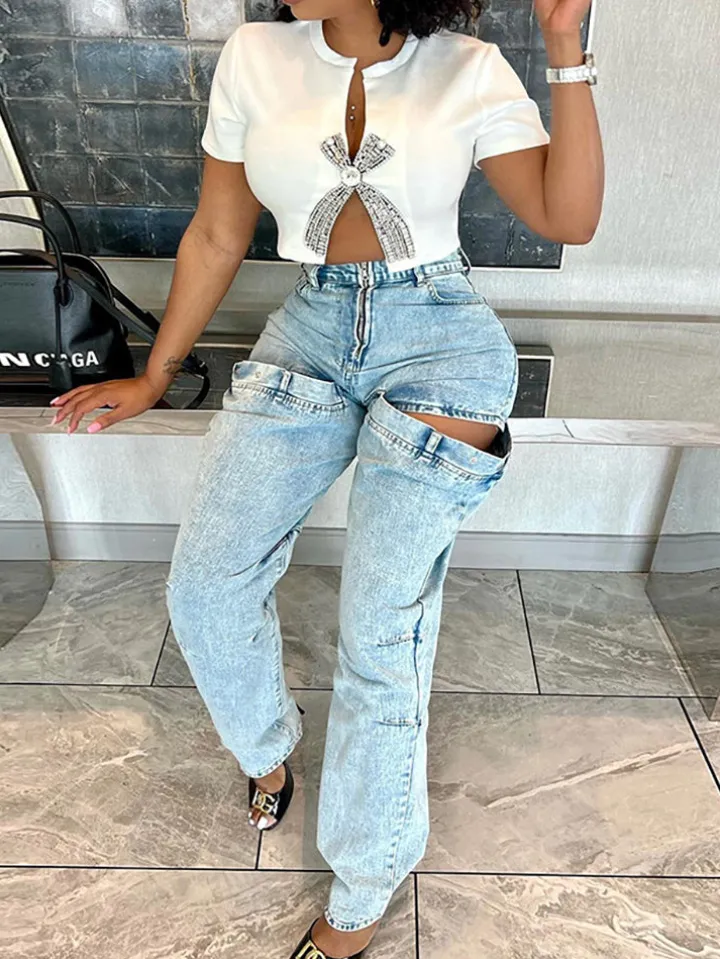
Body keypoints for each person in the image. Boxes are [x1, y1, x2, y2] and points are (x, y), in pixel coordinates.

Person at [50, 0, 603, 955]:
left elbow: (570, 217)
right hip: (310, 325)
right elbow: (217, 232)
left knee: (382, 632)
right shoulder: (256, 55)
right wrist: (155, 372)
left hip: (439, 335)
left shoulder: (468, 65)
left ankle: (362, 890)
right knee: (207, 582)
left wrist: (564, 45)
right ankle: (269, 752)